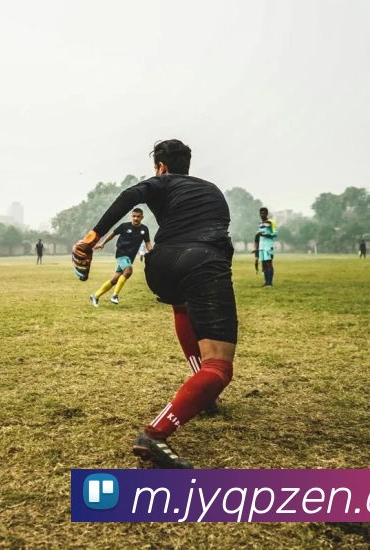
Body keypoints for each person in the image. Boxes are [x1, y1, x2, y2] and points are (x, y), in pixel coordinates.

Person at [72, 139, 237, 469]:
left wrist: (90, 239)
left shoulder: (161, 182)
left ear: (160, 167)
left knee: (182, 307)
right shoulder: (212, 190)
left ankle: (205, 397)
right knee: (219, 367)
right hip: (203, 260)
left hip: (160, 265)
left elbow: (130, 195)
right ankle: (155, 433)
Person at [89, 208, 152, 307]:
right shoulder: (124, 226)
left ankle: (95, 296)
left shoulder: (144, 229)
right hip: (121, 254)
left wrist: (152, 253)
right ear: (131, 216)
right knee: (128, 271)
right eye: (134, 216)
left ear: (142, 217)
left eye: (138, 216)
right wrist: (102, 243)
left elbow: (148, 243)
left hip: (129, 258)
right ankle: (115, 295)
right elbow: (112, 234)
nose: (135, 218)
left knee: (114, 280)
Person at [257, 208, 277, 287]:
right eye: (261, 213)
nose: (262, 215)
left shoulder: (271, 222)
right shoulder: (260, 223)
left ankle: (270, 283)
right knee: (264, 264)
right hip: (262, 247)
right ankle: (266, 282)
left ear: (267, 214)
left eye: (264, 213)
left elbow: (275, 234)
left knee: (269, 264)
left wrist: (264, 235)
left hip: (268, 246)